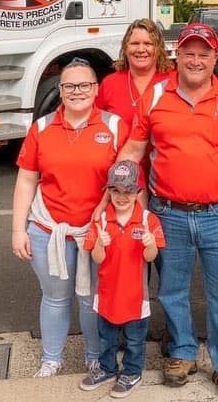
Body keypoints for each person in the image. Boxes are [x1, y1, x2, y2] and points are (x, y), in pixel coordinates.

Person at [117, 23, 218, 402]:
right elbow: (133, 151)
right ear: (176, 56)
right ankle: (182, 353)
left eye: (204, 53)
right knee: (172, 290)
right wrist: (116, 195)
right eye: (189, 52)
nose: (196, 60)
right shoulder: (155, 97)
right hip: (167, 212)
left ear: (216, 58)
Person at [11, 58, 129, 378]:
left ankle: (94, 356)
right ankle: (52, 359)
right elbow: (26, 180)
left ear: (96, 88)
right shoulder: (43, 127)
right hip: (50, 228)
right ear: (60, 91)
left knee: (92, 298)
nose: (77, 91)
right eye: (69, 86)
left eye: (85, 85)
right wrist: (18, 229)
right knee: (55, 297)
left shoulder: (115, 126)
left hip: (97, 230)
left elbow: (128, 180)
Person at [81, 160, 166, 398]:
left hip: (135, 297)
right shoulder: (100, 221)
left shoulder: (149, 220)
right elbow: (97, 258)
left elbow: (151, 257)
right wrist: (99, 244)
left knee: (134, 340)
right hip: (106, 295)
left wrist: (150, 244)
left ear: (138, 192)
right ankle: (107, 369)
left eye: (128, 191)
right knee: (106, 338)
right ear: (108, 191)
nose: (122, 196)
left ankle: (132, 371)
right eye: (116, 190)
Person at [96, 18, 174, 128]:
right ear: (125, 48)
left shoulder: (173, 81)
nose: (141, 49)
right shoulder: (109, 84)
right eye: (135, 43)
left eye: (148, 43)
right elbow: (96, 124)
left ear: (158, 48)